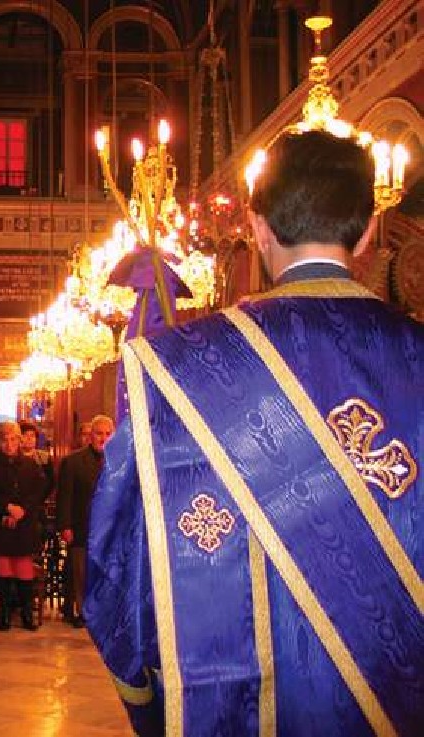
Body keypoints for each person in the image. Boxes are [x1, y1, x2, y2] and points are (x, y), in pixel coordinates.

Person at [84, 130, 423, 737]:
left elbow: (119, 557)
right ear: (368, 231)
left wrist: (146, 698)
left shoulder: (182, 368)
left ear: (257, 227)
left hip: (248, 709)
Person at [0, 421, 49, 631]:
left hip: (24, 525)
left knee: (24, 571)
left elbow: (37, 493)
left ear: (19, 440)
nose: (9, 444)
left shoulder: (31, 465)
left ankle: (26, 613)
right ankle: (5, 613)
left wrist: (21, 511)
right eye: (4, 440)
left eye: (13, 439)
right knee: (3, 570)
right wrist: (7, 508)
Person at [56, 414, 114, 627]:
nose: (103, 438)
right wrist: (65, 526)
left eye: (108, 434)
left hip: (109, 529)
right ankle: (82, 611)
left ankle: (101, 612)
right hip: (81, 527)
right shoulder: (73, 462)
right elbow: (65, 497)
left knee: (104, 572)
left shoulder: (119, 461)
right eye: (99, 433)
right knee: (80, 572)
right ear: (90, 436)